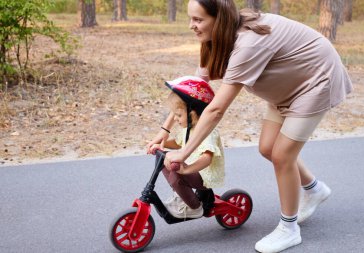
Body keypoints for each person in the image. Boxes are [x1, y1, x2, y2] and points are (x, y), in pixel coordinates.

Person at [147, 0, 353, 252]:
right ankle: (315, 189)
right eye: (191, 18)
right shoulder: (216, 38)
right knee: (267, 147)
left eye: (198, 20)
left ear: (219, 19)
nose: (192, 25)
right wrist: (164, 132)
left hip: (315, 80)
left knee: (281, 155)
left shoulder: (248, 44)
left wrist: (184, 152)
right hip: (288, 86)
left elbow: (215, 109)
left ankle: (289, 229)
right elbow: (191, 92)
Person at [147, 76, 225, 219]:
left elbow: (207, 159)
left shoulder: (208, 132)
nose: (175, 119)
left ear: (193, 114)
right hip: (194, 169)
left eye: (178, 115)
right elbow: (178, 143)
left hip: (205, 175)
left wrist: (186, 170)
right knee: (164, 161)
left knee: (177, 174)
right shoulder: (189, 128)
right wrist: (161, 145)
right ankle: (182, 194)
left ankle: (194, 208)